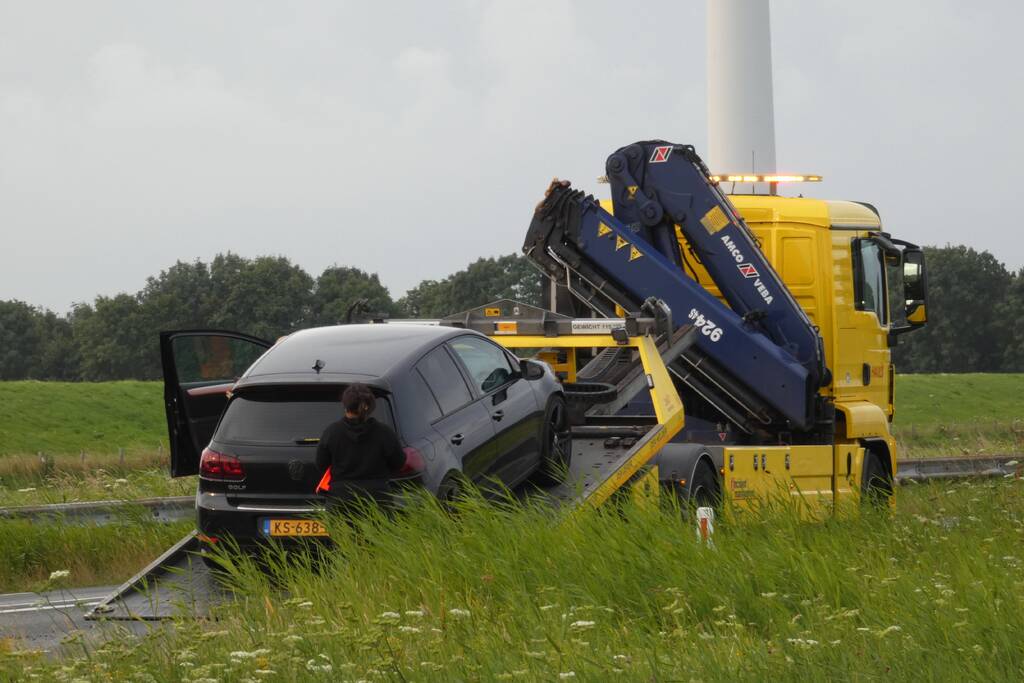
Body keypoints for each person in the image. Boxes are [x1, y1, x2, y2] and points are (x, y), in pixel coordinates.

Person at [314, 384, 406, 500]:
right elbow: (399, 463)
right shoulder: (384, 432)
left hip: (341, 500)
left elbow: (321, 464)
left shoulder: (332, 432)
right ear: (370, 406)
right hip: (378, 499)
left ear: (345, 406)